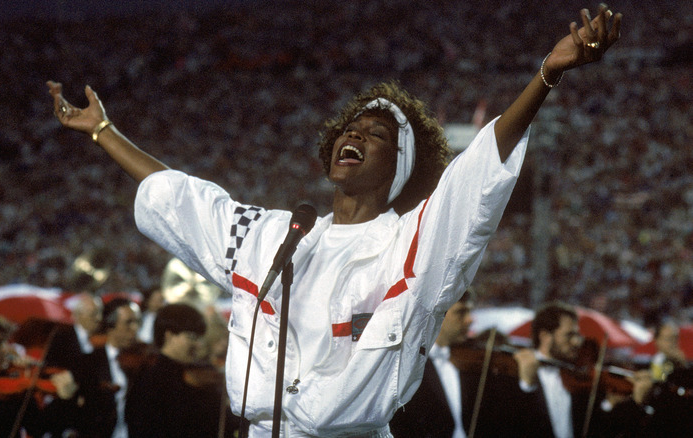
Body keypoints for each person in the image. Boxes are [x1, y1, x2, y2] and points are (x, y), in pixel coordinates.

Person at [48, 6, 622, 436]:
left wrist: (546, 75)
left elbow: (475, 177)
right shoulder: (279, 235)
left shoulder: (412, 244)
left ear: (403, 169)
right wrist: (104, 132)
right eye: (351, 128)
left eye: (378, 136)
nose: (356, 135)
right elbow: (182, 198)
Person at [125, 302, 231, 437]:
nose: (198, 345)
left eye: (199, 338)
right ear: (169, 335)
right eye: (191, 337)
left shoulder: (197, 374)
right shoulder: (150, 378)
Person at [389, 289, 480, 437]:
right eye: (461, 312)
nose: (470, 319)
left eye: (470, 311)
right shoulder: (408, 366)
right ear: (437, 315)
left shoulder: (470, 360)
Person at [80, 297, 141, 438]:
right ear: (110, 325)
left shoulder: (143, 362)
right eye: (129, 323)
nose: (135, 329)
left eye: (138, 322)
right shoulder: (89, 362)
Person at [48, 291, 104, 373]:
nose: (99, 318)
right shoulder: (61, 338)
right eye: (93, 314)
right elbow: (51, 368)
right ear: (78, 315)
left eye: (100, 313)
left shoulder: (101, 340)